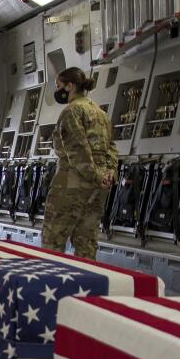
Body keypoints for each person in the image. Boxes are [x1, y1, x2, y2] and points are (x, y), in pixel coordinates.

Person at [41, 67, 118, 260]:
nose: (58, 91)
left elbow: (77, 150)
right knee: (86, 243)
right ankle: (85, 288)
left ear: (70, 86)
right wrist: (109, 174)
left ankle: (50, 287)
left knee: (53, 241)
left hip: (71, 186)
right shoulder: (101, 114)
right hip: (97, 190)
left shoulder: (72, 111)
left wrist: (95, 176)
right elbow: (111, 148)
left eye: (60, 86)